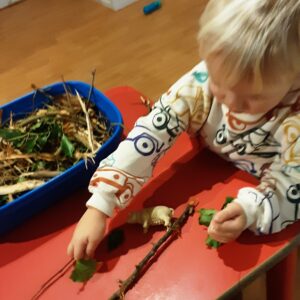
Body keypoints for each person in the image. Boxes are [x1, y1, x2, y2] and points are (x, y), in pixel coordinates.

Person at [68, 0, 300, 260]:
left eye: (251, 99)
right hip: (202, 167)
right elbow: (152, 132)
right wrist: (101, 204)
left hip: (262, 190)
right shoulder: (201, 82)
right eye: (220, 86)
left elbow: (293, 183)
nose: (231, 104)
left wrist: (251, 210)